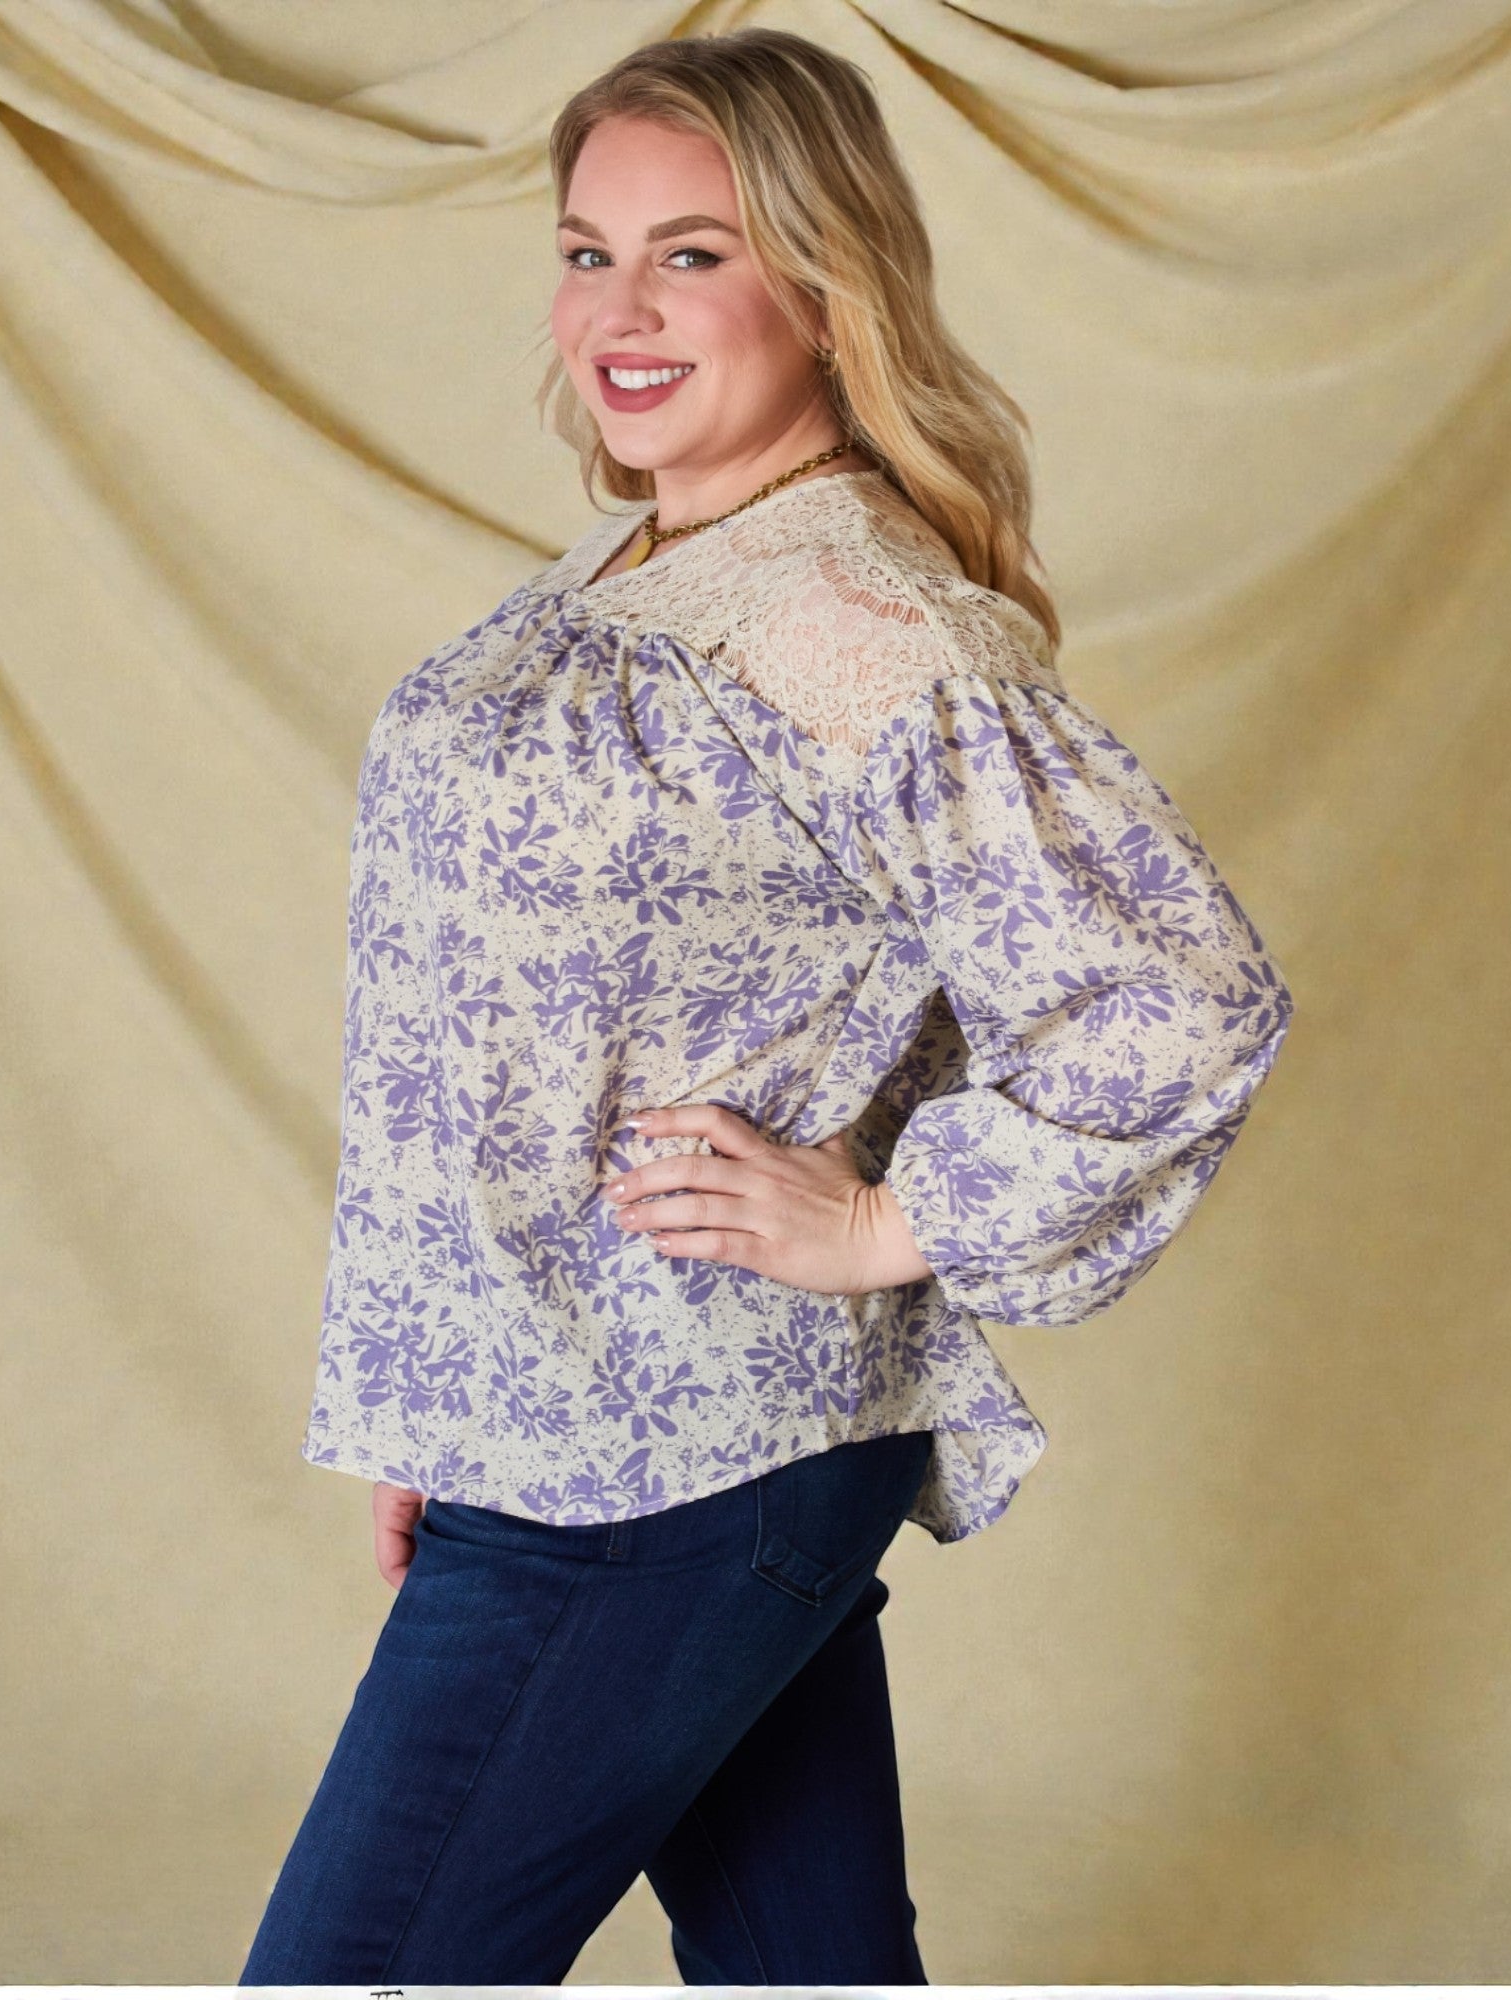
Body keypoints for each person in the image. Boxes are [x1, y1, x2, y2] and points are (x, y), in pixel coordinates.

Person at [238, 25, 1293, 1987]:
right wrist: (448, 1384)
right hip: (596, 1435)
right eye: (582, 251)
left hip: (659, 1471)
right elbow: (532, 1026)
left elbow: (1175, 999)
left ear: (822, 282)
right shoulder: (647, 557)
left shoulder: (844, 617)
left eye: (690, 254)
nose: (619, 311)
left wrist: (895, 1218)